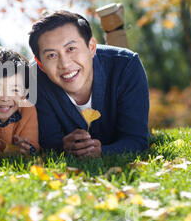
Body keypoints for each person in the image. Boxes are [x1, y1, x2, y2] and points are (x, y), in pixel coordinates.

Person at [28, 10, 150, 158]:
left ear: (91, 47)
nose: (65, 64)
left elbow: (136, 138)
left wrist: (102, 152)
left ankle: (114, 25)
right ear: (40, 64)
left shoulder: (127, 65)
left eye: (71, 49)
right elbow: (47, 141)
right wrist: (62, 147)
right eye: (52, 55)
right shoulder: (33, 79)